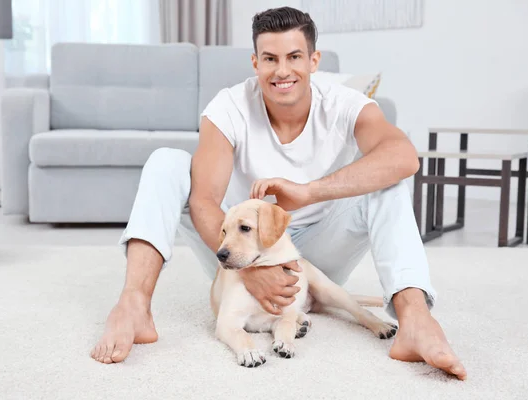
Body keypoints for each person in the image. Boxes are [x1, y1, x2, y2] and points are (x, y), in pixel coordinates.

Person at [89, 6, 467, 380]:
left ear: (313, 60)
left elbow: (403, 156)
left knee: (391, 181)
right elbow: (204, 200)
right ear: (255, 63)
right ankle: (134, 304)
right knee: (166, 161)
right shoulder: (228, 107)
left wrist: (308, 192)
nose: (282, 70)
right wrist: (251, 268)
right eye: (270, 58)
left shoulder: (345, 104)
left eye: (294, 57)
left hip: (319, 250)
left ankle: (414, 317)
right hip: (239, 249)